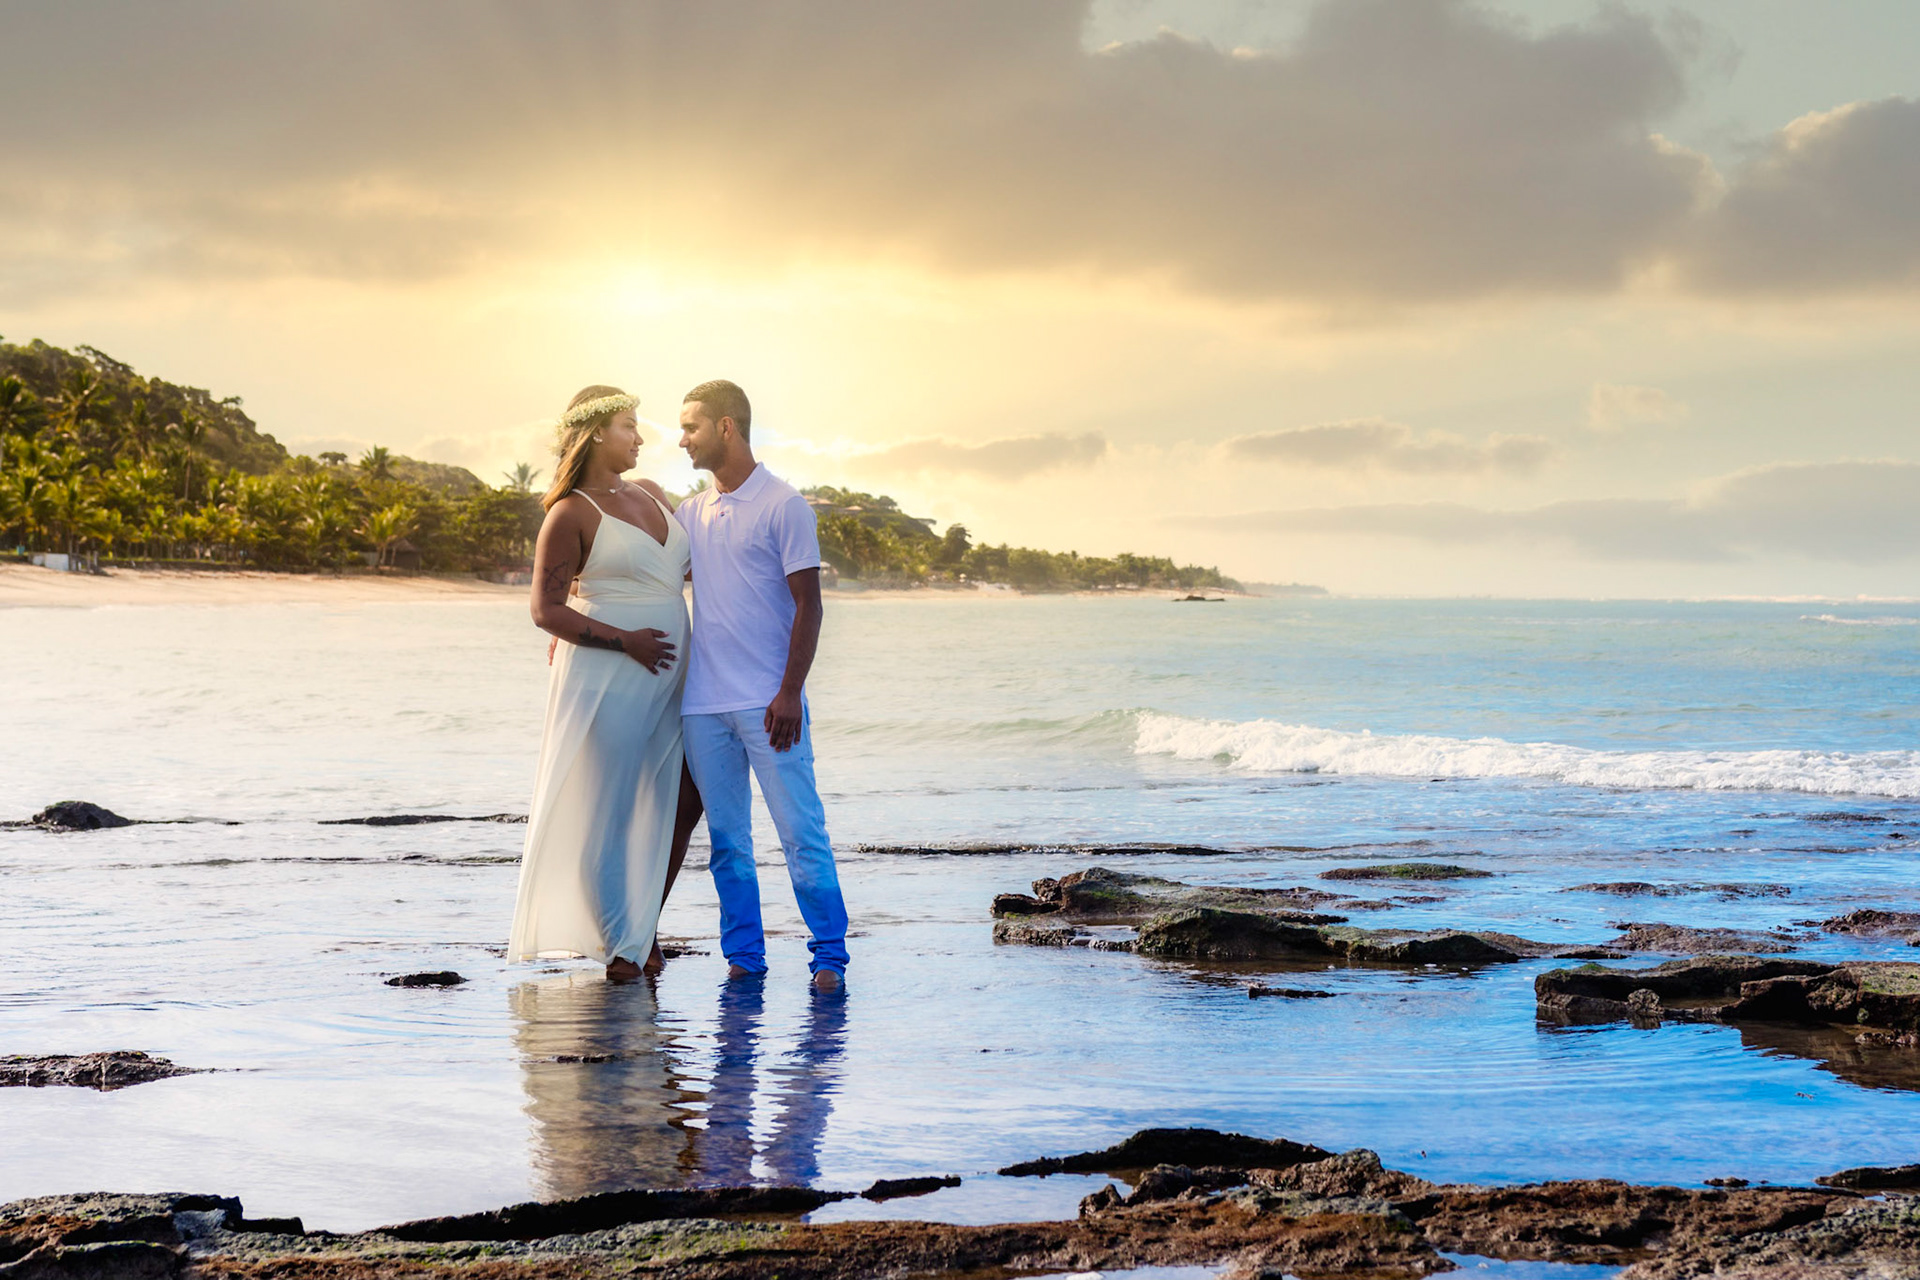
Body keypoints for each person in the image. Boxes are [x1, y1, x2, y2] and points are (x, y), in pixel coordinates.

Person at [510, 385, 704, 981]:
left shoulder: (651, 494)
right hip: (612, 673)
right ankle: (625, 946)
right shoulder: (568, 513)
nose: (640, 437)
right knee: (609, 808)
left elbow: (693, 570)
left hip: (674, 673)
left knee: (686, 799)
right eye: (628, 425)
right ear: (594, 432)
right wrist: (624, 640)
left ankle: (638, 925)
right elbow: (546, 610)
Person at [676, 379, 849, 992]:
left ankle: (829, 956)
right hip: (702, 707)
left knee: (801, 833)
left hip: (770, 704)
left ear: (727, 427)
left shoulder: (784, 505)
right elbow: (649, 582)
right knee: (727, 843)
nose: (681, 439)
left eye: (691, 426)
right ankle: (745, 958)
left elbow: (810, 606)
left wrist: (789, 691)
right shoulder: (689, 513)